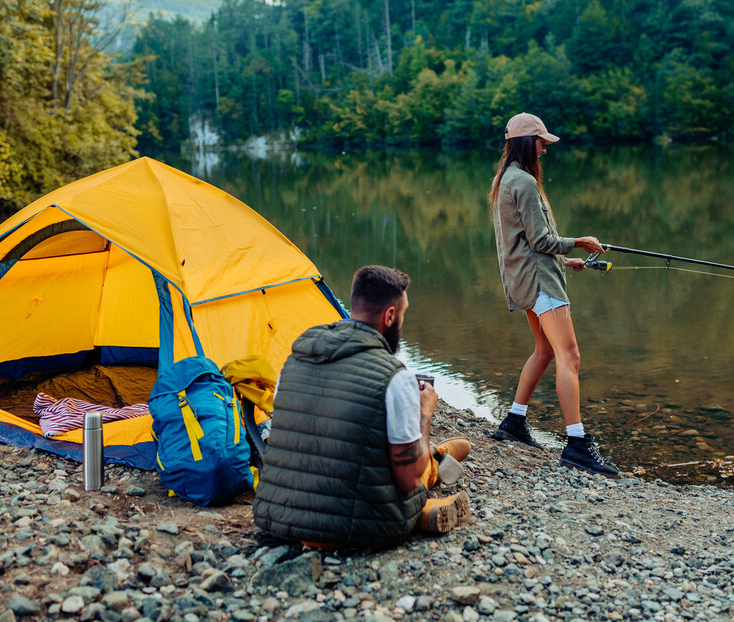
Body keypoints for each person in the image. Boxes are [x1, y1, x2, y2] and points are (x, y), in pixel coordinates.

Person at [253, 265, 472, 548]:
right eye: (402, 315)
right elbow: (408, 479)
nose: (401, 324)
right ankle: (434, 465)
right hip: (354, 527)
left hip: (277, 517)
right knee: (413, 475)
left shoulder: (293, 359)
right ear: (390, 316)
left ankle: (437, 461)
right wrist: (424, 414)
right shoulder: (395, 376)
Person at [489, 112, 620, 478]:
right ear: (526, 142)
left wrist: (566, 259)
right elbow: (540, 240)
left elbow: (525, 243)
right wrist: (581, 241)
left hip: (524, 280)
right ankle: (577, 445)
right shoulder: (525, 183)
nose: (546, 147)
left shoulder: (506, 180)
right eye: (542, 141)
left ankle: (514, 421)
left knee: (546, 351)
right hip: (540, 283)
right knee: (570, 356)